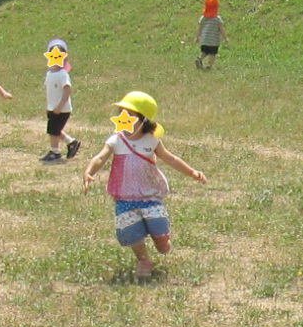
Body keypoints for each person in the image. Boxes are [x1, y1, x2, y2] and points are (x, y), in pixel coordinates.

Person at [80, 91, 207, 277]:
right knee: (132, 232)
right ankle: (144, 260)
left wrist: (192, 172)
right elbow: (100, 157)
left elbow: (170, 159)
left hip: (150, 194)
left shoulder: (151, 141)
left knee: (158, 226)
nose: (124, 118)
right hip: (125, 196)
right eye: (121, 113)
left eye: (130, 115)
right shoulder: (116, 140)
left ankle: (162, 241)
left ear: (143, 120)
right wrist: (89, 172)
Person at [41, 39, 80, 163]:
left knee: (53, 130)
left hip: (61, 109)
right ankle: (71, 142)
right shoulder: (50, 74)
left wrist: (60, 105)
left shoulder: (63, 74)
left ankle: (55, 151)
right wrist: (50, 106)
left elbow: (67, 90)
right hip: (53, 108)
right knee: (55, 129)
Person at [195, 0, 224, 70]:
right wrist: (225, 38)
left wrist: (197, 37)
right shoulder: (217, 18)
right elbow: (221, 29)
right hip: (214, 40)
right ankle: (209, 66)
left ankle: (199, 58)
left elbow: (200, 28)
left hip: (205, 39)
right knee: (212, 53)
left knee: (205, 51)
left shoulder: (203, 18)